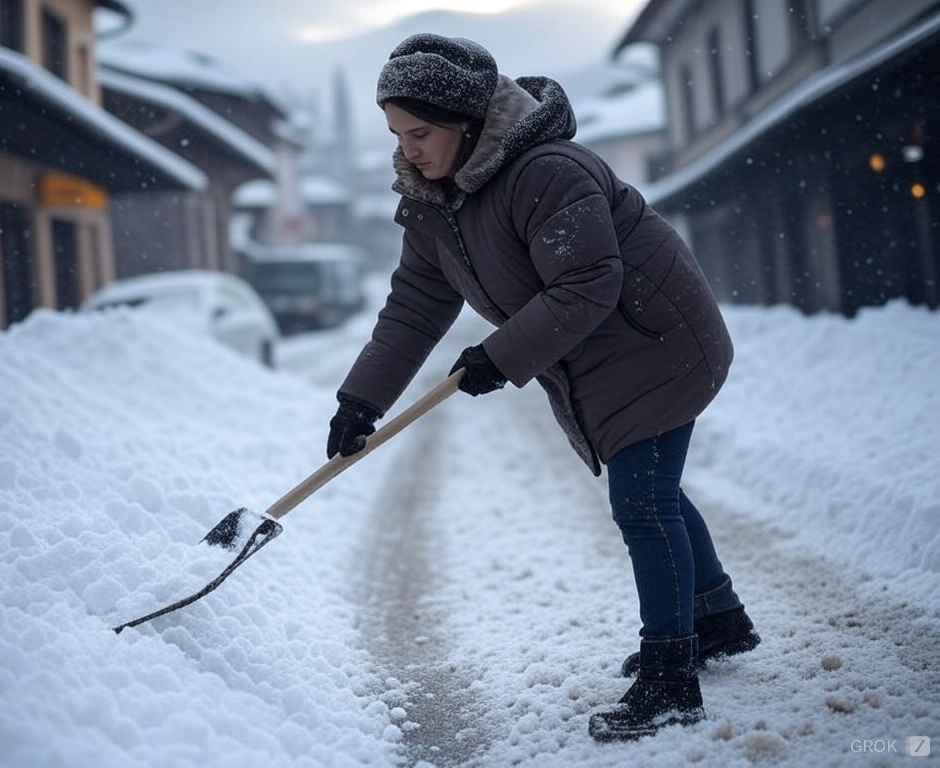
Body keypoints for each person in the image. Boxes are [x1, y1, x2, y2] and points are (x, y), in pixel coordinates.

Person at [325, 33, 760, 743]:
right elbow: (414, 306)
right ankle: (717, 617)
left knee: (642, 501)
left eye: (422, 132)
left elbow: (589, 283)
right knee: (655, 490)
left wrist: (499, 355)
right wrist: (361, 399)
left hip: (658, 344)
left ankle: (670, 677)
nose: (409, 150)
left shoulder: (547, 172)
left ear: (465, 122)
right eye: (398, 135)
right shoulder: (436, 203)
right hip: (599, 351)